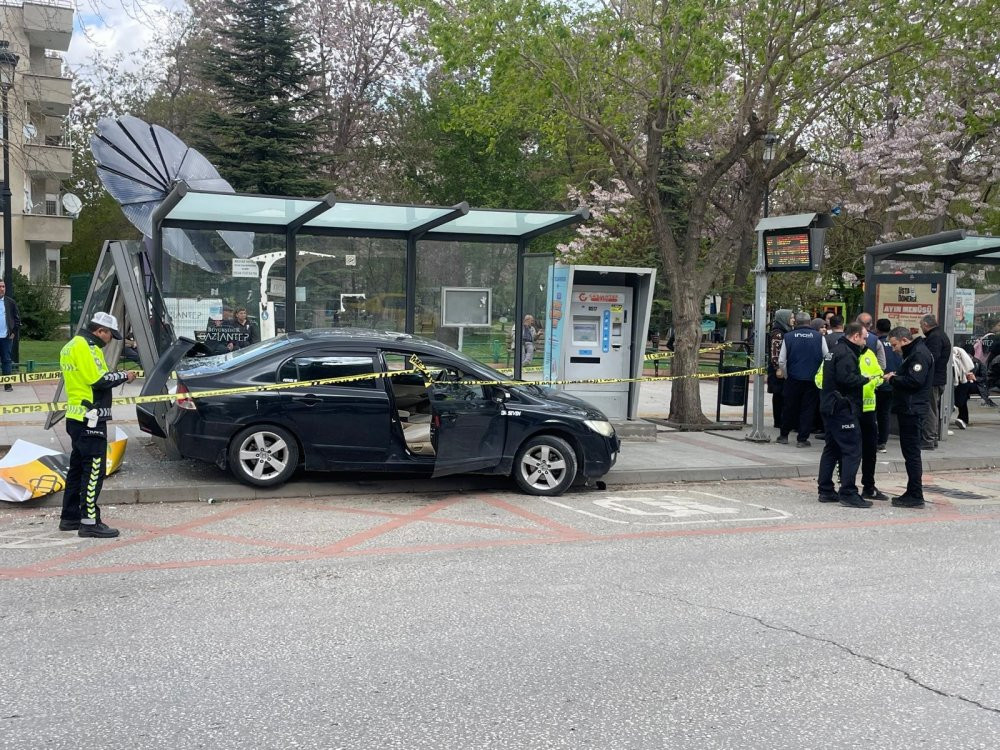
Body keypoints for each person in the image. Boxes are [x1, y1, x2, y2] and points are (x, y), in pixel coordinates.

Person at [58, 312, 136, 538]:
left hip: (76, 416)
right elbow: (98, 380)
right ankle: (90, 522)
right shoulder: (88, 347)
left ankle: (70, 517)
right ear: (100, 331)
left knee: (77, 469)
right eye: (110, 335)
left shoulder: (71, 345)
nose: (110, 340)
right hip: (91, 417)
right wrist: (124, 376)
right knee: (93, 471)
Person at [817, 323, 873, 507]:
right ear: (855, 336)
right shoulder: (847, 353)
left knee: (832, 448)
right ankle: (848, 492)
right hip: (842, 407)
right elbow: (846, 379)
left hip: (830, 405)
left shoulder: (835, 350)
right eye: (864, 338)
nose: (865, 342)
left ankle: (825, 489)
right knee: (852, 449)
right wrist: (865, 379)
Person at [884, 326, 934, 508]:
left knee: (912, 454)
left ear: (904, 340)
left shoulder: (918, 354)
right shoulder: (914, 352)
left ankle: (915, 494)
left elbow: (915, 381)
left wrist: (893, 379)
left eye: (894, 345)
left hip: (912, 409)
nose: (893, 349)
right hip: (910, 407)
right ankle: (912, 490)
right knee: (910, 453)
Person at [777, 312, 824, 447]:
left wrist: (787, 375)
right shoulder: (819, 337)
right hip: (812, 378)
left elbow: (781, 360)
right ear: (809, 322)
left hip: (793, 377)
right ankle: (802, 439)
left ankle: (784, 435)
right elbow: (826, 357)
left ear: (796, 322)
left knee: (789, 407)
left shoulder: (788, 336)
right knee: (808, 409)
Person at [919, 314, 951, 450]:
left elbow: (931, 357)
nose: (921, 328)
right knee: (933, 408)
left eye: (921, 325)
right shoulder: (940, 335)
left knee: (929, 410)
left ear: (926, 325)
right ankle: (933, 438)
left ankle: (929, 440)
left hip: (933, 380)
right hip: (939, 378)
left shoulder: (934, 337)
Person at [874, 318, 900, 451]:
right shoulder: (896, 344)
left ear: (877, 328)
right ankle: (882, 442)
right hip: (893, 383)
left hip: (878, 382)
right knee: (885, 414)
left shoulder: (876, 343)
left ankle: (873, 439)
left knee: (873, 413)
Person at [767, 309, 793, 428]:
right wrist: (778, 367)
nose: (793, 319)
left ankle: (782, 420)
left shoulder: (786, 331)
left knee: (783, 395)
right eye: (791, 317)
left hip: (783, 367)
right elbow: (775, 351)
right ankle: (779, 421)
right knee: (779, 395)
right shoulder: (778, 333)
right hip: (778, 369)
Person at [0, 280, 22, 392]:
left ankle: (7, 385)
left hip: (6, 337)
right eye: (0, 287)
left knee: (6, 360)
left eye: (3, 286)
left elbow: (17, 320)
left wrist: (13, 333)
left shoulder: (10, 302)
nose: (2, 289)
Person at [950, 344, 977, 429]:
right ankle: (962, 419)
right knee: (963, 392)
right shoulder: (958, 362)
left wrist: (974, 378)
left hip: (978, 385)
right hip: (963, 385)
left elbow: (984, 378)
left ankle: (955, 404)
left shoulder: (977, 363)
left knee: (964, 387)